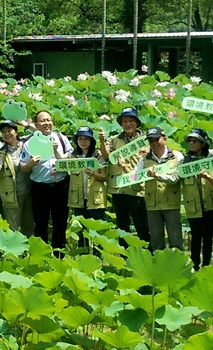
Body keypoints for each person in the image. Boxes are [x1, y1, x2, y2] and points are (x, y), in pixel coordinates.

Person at [20, 110, 73, 250]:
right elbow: (23, 167)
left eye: (48, 120)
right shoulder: (29, 143)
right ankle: (41, 254)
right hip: (39, 187)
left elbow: (72, 158)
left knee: (60, 222)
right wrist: (31, 163)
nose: (46, 123)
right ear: (36, 124)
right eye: (42, 121)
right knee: (40, 223)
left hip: (61, 185)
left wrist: (61, 162)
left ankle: (59, 254)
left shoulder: (61, 138)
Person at [99, 107, 150, 243]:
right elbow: (106, 156)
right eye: (125, 121)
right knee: (122, 226)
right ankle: (124, 256)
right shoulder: (114, 140)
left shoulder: (146, 140)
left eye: (131, 121)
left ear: (137, 123)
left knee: (142, 225)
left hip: (137, 187)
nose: (128, 124)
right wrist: (102, 141)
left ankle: (147, 255)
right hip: (118, 187)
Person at [180, 128, 213, 270]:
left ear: (203, 143)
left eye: (195, 141)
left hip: (210, 204)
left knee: (208, 236)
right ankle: (195, 264)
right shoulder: (184, 161)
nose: (191, 144)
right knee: (196, 236)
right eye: (189, 141)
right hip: (193, 205)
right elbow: (174, 177)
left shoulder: (211, 158)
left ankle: (207, 264)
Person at [139, 127, 183, 252]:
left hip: (171, 204)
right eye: (150, 141)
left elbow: (176, 178)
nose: (154, 143)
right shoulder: (144, 159)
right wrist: (125, 168)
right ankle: (159, 267)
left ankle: (178, 268)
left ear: (164, 139)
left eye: (156, 139)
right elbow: (136, 178)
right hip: (152, 205)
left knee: (175, 240)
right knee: (156, 241)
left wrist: (157, 176)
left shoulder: (177, 156)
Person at [0, 120, 33, 234]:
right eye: (4, 132)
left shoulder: (26, 144)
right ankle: (13, 250)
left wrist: (27, 125)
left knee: (29, 224)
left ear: (16, 132)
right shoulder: (2, 152)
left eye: (9, 130)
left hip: (29, 192)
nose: (7, 134)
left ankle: (28, 250)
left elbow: (41, 133)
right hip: (12, 194)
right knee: (13, 226)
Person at [66, 127, 107, 248]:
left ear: (91, 141)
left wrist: (94, 174)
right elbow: (60, 163)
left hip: (95, 198)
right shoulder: (73, 156)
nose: (83, 141)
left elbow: (103, 176)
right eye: (80, 139)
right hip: (78, 198)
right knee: (80, 230)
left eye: (86, 139)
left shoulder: (97, 156)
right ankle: (83, 254)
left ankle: (97, 256)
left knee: (96, 231)